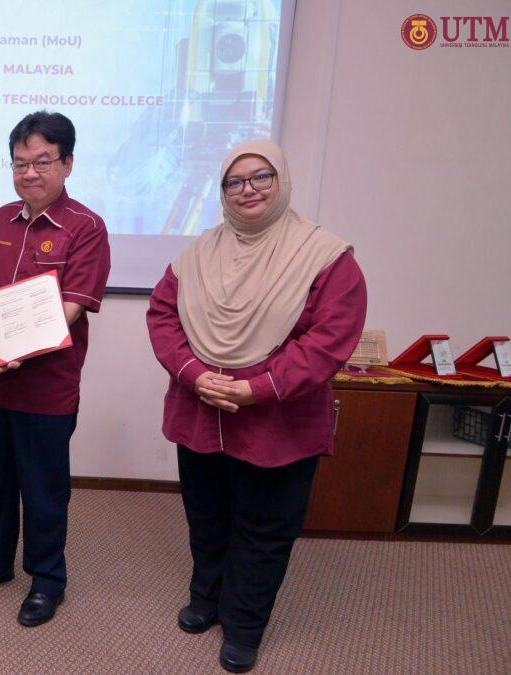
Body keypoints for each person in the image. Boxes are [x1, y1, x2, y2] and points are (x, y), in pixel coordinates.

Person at [147, 140, 367, 672]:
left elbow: (328, 340)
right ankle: (207, 599)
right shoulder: (196, 255)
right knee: (207, 515)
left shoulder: (326, 257)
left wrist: (256, 388)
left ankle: (244, 624)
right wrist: (195, 374)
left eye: (261, 177)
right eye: (235, 181)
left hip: (279, 420)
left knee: (264, 527)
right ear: (222, 191)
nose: (248, 190)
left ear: (282, 181)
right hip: (200, 407)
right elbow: (162, 315)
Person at [0, 111, 111, 627]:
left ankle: (47, 580)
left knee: (44, 490)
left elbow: (72, 306)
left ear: (66, 163)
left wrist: (21, 344)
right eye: (20, 162)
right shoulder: (2, 217)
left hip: (46, 386)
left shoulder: (86, 227)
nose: (30, 173)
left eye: (42, 161)